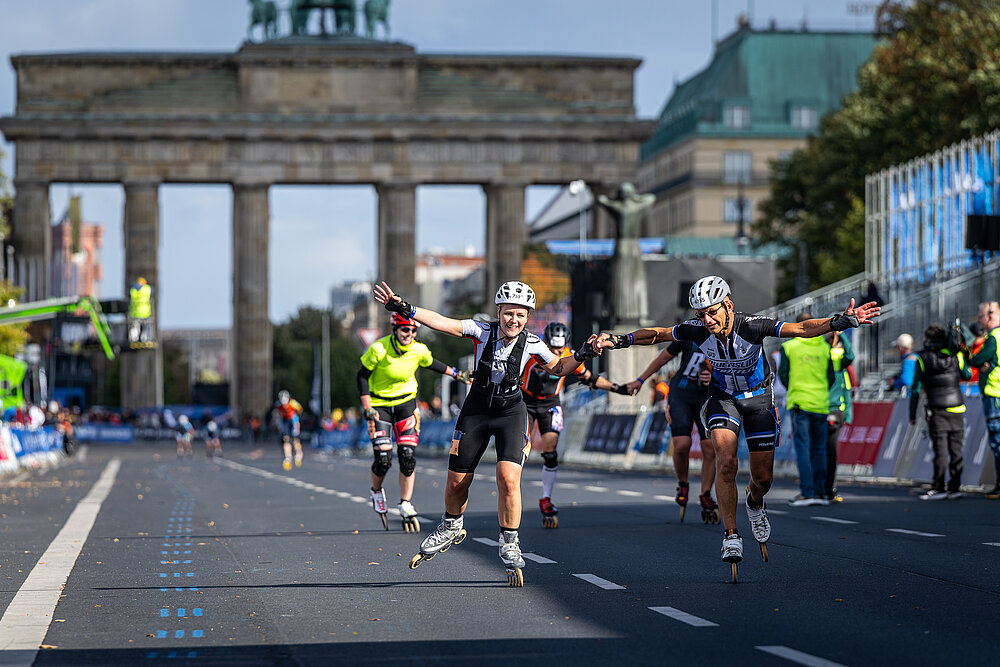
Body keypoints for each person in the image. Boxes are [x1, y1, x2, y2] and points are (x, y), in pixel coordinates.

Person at [590, 276, 880, 581]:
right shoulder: (697, 330)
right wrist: (619, 339)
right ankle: (730, 534)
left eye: (713, 311)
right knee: (725, 461)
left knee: (763, 478)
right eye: (701, 314)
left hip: (757, 400)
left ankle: (755, 503)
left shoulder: (751, 325)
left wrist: (839, 321)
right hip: (722, 398)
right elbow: (659, 335)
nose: (707, 320)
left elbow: (802, 329)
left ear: (728, 305)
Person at [375, 279, 589, 586]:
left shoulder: (533, 343)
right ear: (498, 311)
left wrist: (581, 354)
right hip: (476, 409)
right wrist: (405, 308)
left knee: (508, 477)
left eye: (521, 315)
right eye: (508, 313)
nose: (514, 320)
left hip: (511, 412)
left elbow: (557, 368)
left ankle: (511, 542)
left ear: (528, 317)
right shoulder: (481, 330)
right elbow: (442, 323)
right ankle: (451, 526)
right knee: (457, 482)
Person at [358, 312, 471, 532]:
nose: (409, 334)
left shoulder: (418, 350)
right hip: (379, 406)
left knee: (407, 456)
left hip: (406, 405)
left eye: (412, 331)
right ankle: (376, 491)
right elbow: (362, 376)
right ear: (395, 330)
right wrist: (367, 407)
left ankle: (405, 503)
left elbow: (434, 364)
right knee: (383, 459)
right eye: (404, 330)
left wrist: (458, 375)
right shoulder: (378, 349)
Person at [522, 321, 627, 528]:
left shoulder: (571, 356)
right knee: (521, 448)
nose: (554, 353)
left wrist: (618, 388)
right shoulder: (533, 353)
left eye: (559, 349)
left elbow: (589, 378)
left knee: (550, 453)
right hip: (526, 401)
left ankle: (546, 499)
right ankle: (511, 486)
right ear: (545, 342)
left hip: (550, 403)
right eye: (551, 348)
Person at [625, 341, 717, 523]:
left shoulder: (725, 335)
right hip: (681, 394)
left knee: (709, 446)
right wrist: (641, 380)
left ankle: (706, 493)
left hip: (706, 395)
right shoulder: (690, 333)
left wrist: (714, 378)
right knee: (682, 445)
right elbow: (663, 358)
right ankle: (683, 484)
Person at [909, 324, 971, 500]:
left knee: (940, 450)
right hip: (958, 407)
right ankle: (955, 487)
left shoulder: (922, 358)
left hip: (937, 410)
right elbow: (967, 374)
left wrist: (912, 414)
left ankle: (939, 486)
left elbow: (915, 389)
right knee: (956, 450)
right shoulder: (955, 354)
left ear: (927, 339)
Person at [780, 313, 835, 507]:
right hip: (820, 402)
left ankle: (807, 491)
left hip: (799, 402)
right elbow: (831, 377)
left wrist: (797, 389)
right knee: (820, 449)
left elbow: (783, 376)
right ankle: (820, 492)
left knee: (802, 448)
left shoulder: (789, 346)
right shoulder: (824, 347)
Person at [968, 301, 1000, 498]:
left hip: (994, 396)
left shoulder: (993, 338)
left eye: (980, 316)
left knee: (997, 443)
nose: (978, 320)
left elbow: (976, 360)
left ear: (989, 316)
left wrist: (981, 362)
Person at [825, 329, 855, 503]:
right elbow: (847, 392)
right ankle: (830, 488)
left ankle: (818, 488)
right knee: (830, 452)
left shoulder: (820, 359)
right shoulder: (839, 365)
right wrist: (848, 415)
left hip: (818, 410)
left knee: (817, 451)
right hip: (835, 412)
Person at [273, 390, 303, 470]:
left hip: (293, 420)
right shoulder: (278, 405)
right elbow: (276, 414)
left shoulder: (293, 403)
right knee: (285, 438)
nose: (285, 405)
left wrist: (298, 422)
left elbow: (300, 410)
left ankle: (298, 454)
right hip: (285, 420)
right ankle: (288, 457)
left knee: (295, 438)